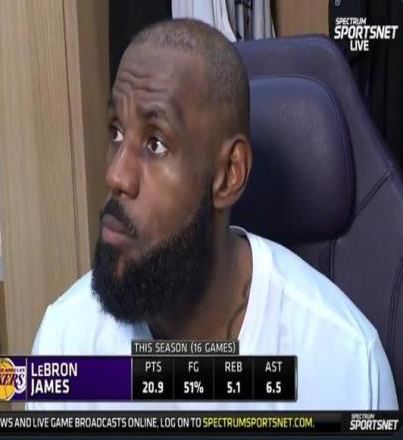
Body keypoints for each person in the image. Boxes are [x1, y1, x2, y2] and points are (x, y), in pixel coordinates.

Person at [28, 19, 398, 410]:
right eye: (116, 132)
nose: (116, 176)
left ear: (228, 175)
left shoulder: (345, 363)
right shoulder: (65, 342)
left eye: (155, 143)